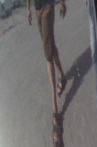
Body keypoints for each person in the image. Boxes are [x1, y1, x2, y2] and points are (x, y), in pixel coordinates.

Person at [28, 0, 68, 132]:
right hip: (37, 9)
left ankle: (55, 108)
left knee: (48, 54)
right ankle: (62, 76)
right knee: (50, 46)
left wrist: (61, 2)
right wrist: (28, 10)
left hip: (47, 7)